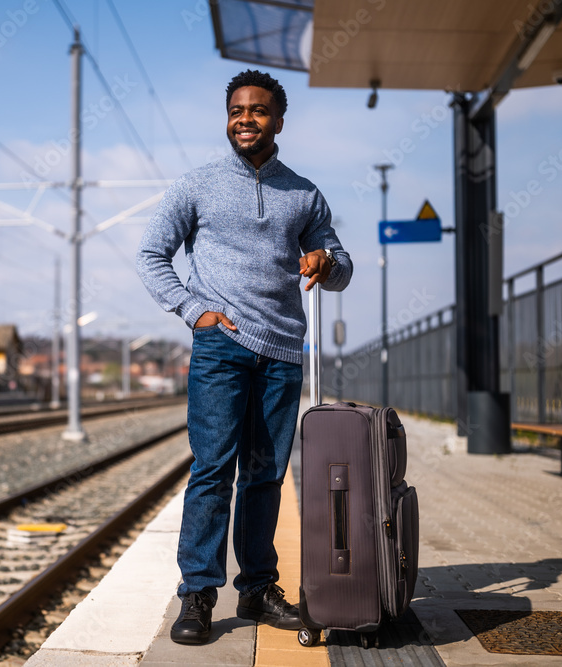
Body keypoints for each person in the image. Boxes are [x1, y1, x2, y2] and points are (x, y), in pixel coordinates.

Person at [135, 69, 353, 645]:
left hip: (283, 350)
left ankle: (256, 590)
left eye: (257, 110)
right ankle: (199, 595)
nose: (245, 119)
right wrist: (192, 310)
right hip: (220, 346)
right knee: (212, 470)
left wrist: (326, 265)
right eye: (236, 110)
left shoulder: (304, 193)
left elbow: (340, 265)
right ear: (227, 118)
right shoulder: (197, 185)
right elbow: (152, 255)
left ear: (279, 120)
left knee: (265, 476)